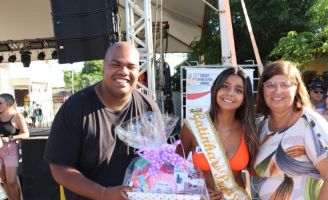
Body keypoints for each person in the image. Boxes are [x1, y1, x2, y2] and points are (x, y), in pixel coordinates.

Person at [44, 42, 159, 200]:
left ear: (138, 71)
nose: (124, 71)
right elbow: (59, 168)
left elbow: (161, 161)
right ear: (104, 67)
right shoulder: (75, 108)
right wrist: (104, 194)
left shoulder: (148, 108)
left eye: (131, 66)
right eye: (115, 64)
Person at [254, 60, 328, 200]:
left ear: (296, 88)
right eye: (270, 85)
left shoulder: (311, 124)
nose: (277, 90)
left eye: (285, 84)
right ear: (262, 89)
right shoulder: (261, 126)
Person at [177, 67, 259, 200]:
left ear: (244, 98)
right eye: (225, 86)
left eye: (239, 90)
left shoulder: (249, 130)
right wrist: (197, 190)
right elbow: (175, 170)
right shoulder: (192, 127)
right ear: (215, 89)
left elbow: (258, 172)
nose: (231, 93)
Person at [0, 93, 29, 200]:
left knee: (11, 181)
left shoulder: (17, 116)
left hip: (11, 150)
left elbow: (26, 134)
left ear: (8, 103)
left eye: (0, 102)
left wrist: (10, 138)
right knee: (3, 179)